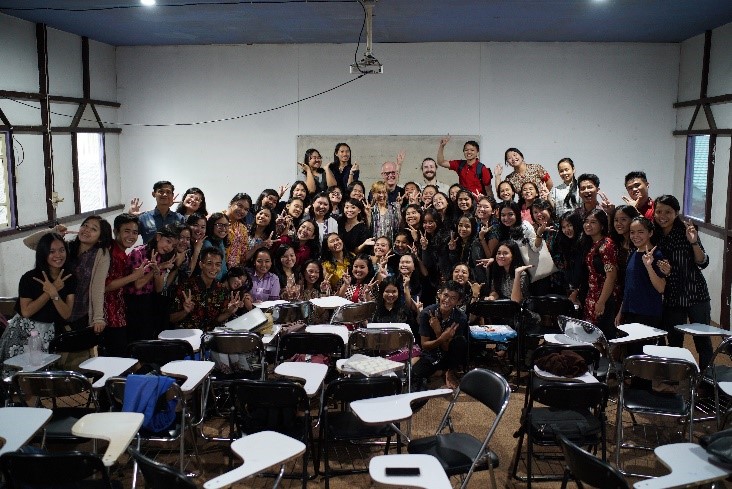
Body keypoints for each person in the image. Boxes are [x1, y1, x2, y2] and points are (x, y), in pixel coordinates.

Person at [654, 194, 713, 369]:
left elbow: (703, 262)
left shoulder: (687, 231)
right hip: (672, 295)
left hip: (696, 293)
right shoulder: (655, 235)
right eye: (658, 211)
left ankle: (706, 381)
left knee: (702, 341)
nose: (662, 216)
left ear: (676, 213)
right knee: (674, 339)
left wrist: (694, 243)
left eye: (668, 212)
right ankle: (675, 377)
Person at [0, 233, 76, 364]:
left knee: (42, 377)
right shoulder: (29, 278)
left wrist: (54, 294)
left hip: (49, 333)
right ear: (43, 253)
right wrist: (49, 292)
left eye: (62, 250)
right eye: (52, 251)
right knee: (16, 376)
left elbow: (66, 314)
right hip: (22, 332)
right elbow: (26, 312)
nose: (58, 255)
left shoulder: (70, 278)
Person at [103, 213, 149, 356]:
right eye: (126, 231)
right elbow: (106, 286)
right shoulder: (110, 253)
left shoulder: (122, 253)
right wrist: (134, 276)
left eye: (135, 232)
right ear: (116, 231)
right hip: (109, 315)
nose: (131, 236)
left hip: (119, 311)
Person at [125, 225, 179, 341]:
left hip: (150, 301)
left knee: (150, 338)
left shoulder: (162, 257)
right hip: (132, 302)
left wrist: (158, 269)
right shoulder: (138, 253)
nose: (169, 247)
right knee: (136, 339)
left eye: (173, 245)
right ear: (158, 237)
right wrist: (158, 267)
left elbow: (159, 288)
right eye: (168, 241)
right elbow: (138, 285)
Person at [170, 248, 242, 331]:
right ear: (201, 264)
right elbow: (171, 318)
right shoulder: (186, 286)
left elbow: (217, 320)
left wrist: (229, 312)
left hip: (210, 337)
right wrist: (185, 311)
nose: (214, 268)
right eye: (209, 263)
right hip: (186, 336)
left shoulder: (222, 290)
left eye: (218, 265)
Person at [414, 280, 469, 390]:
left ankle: (449, 371)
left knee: (460, 342)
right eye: (445, 295)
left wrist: (438, 332)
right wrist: (442, 336)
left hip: (450, 355)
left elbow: (447, 348)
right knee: (415, 374)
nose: (447, 300)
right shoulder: (427, 313)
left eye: (453, 298)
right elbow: (424, 345)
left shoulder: (460, 317)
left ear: (458, 302)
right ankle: (439, 371)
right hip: (430, 354)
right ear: (439, 294)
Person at [616, 217, 666, 329]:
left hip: (648, 313)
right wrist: (621, 311)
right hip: (630, 311)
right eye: (632, 232)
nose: (635, 236)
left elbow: (661, 288)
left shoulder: (657, 255)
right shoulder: (633, 253)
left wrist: (648, 266)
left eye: (640, 232)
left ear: (650, 233)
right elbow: (628, 287)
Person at [579, 209, 618, 339]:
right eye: (586, 221)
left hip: (604, 299)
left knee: (603, 337)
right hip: (592, 296)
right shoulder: (592, 243)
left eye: (593, 222)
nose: (588, 225)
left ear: (602, 226)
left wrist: (601, 302)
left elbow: (611, 276)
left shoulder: (607, 245)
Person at [436, 135, 495, 201]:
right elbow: (441, 162)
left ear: (477, 152)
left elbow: (489, 191)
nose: (469, 152)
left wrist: (492, 205)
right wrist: (442, 146)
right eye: (466, 150)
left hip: (477, 203)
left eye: (472, 150)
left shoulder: (482, 169)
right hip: (463, 202)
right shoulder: (460, 164)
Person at [223, 193, 252, 268]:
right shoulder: (214, 219)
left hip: (232, 273)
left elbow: (243, 256)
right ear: (231, 203)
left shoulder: (243, 229)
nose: (242, 211)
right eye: (239, 206)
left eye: (246, 209)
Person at [202, 212, 230, 281]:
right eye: (220, 225)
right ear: (211, 225)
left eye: (226, 225)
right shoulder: (207, 243)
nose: (223, 228)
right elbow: (215, 273)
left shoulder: (221, 242)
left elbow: (223, 268)